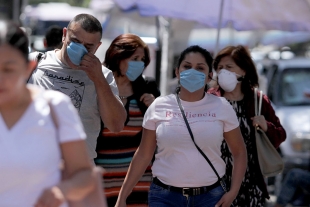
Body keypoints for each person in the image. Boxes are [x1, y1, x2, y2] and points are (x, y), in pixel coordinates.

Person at [115, 45, 247, 207]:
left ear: (209, 76)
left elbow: (240, 152)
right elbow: (143, 154)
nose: (192, 71)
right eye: (187, 66)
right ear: (177, 72)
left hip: (210, 197)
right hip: (164, 196)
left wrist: (233, 191)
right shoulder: (159, 106)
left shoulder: (222, 106)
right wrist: (122, 196)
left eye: (200, 68)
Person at [0, 20, 96, 207]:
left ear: (28, 67)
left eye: (8, 69)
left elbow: (84, 175)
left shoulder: (55, 108)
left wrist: (63, 191)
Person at [28, 13, 127, 160]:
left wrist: (98, 79)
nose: (80, 49)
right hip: (33, 166)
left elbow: (116, 125)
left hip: (77, 170)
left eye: (88, 46)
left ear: (98, 46)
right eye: (74, 41)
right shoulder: (35, 63)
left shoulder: (103, 76)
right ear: (64, 35)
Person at [210, 45, 286, 206]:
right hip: (214, 181)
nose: (223, 72)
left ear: (243, 71)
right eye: (220, 68)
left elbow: (281, 135)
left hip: (250, 182)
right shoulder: (210, 99)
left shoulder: (257, 101)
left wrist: (266, 126)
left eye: (229, 67)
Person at [94, 33, 160, 207]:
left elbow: (161, 133)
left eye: (142, 59)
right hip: (102, 180)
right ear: (118, 56)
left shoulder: (147, 87)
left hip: (139, 182)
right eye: (134, 58)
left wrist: (155, 107)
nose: (139, 63)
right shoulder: (98, 86)